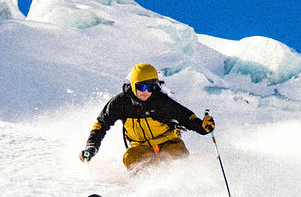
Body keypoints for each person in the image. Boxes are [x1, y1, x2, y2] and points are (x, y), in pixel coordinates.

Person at [81, 63, 215, 171]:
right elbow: (101, 125)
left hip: (168, 142)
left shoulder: (161, 101)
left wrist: (203, 127)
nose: (145, 92)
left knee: (177, 159)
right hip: (140, 146)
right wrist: (91, 147)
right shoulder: (120, 103)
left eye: (149, 88)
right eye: (141, 87)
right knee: (132, 159)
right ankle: (147, 195)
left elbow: (186, 118)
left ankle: (183, 188)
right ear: (133, 85)